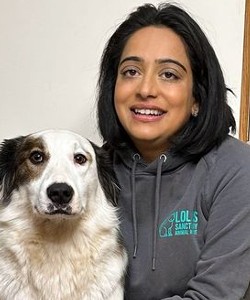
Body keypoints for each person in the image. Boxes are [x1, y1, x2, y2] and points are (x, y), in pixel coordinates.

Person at [96, 3, 250, 299]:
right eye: (131, 71)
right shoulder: (91, 171)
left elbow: (212, 296)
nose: (145, 89)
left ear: (197, 98)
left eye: (169, 74)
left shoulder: (235, 168)